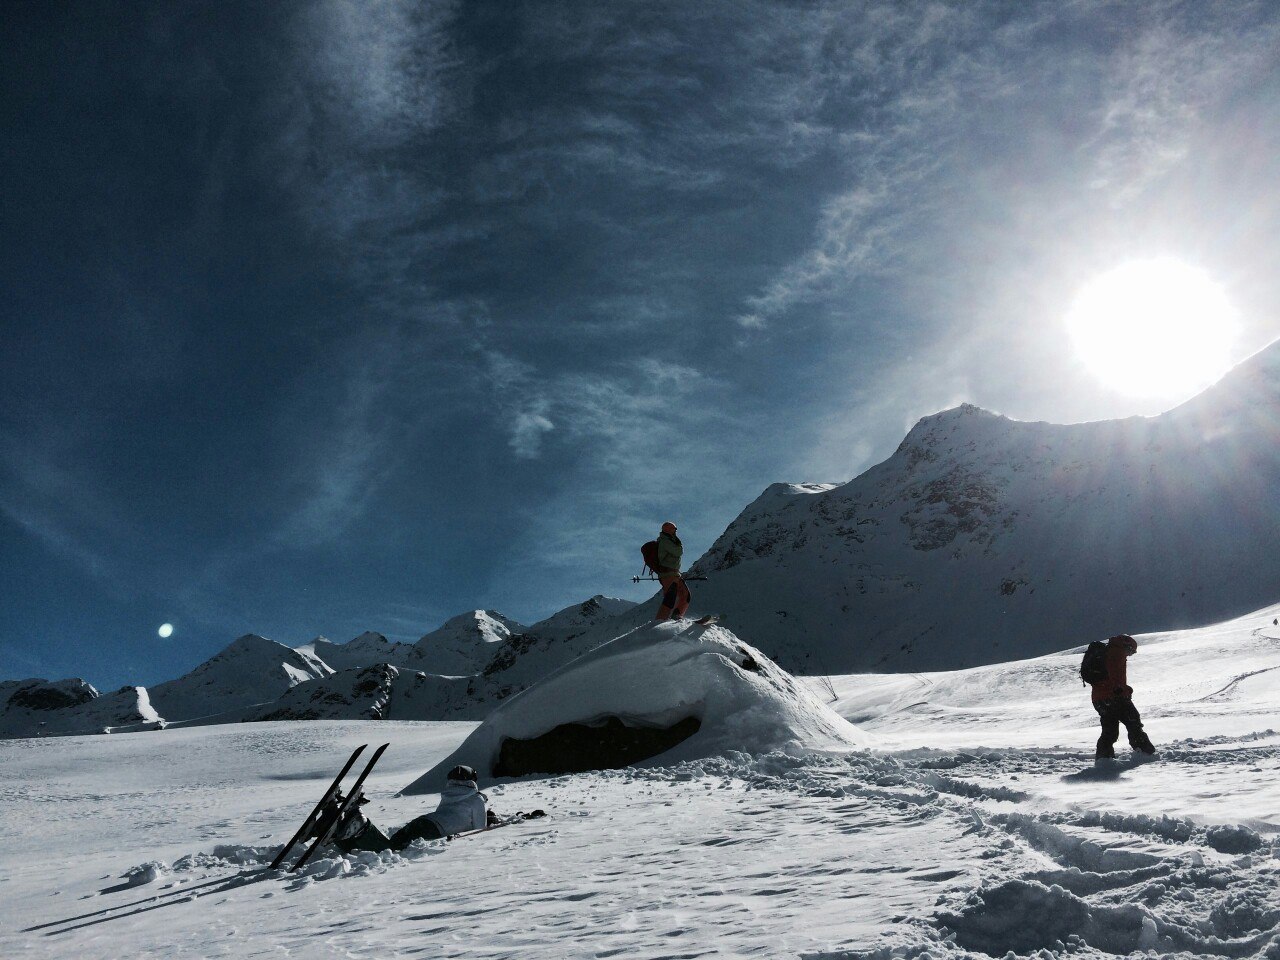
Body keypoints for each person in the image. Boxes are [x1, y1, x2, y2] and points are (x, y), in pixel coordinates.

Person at [334, 764, 493, 853]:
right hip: (432, 830)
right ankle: (361, 827)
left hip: (423, 821)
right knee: (391, 851)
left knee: (390, 845)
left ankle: (350, 838)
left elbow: (449, 816)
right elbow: (480, 829)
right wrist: (489, 819)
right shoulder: (476, 798)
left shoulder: (448, 795)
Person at [1088, 634, 1156, 759]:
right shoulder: (1117, 652)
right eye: (1132, 652)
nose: (1130, 655)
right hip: (1114, 697)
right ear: (1128, 647)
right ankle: (1146, 753)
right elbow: (1114, 675)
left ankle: (1104, 759)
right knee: (1133, 722)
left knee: (1110, 730)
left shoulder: (1108, 650)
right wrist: (1123, 690)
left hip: (1099, 699)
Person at [654, 521, 690, 621]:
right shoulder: (665, 541)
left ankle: (676, 616)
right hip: (668, 574)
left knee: (685, 595)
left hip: (674, 574)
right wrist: (679, 543)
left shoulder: (669, 540)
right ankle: (660, 621)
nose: (675, 531)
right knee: (670, 597)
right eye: (674, 529)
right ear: (669, 530)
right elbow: (678, 552)